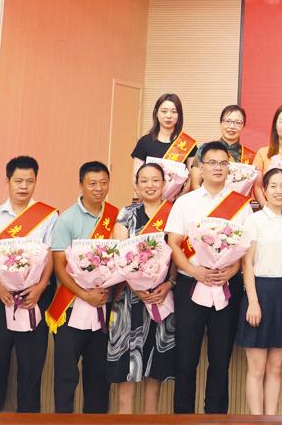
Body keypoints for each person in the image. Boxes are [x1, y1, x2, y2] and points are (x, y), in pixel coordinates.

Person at [165, 141, 253, 414]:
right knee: (186, 357)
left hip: (227, 285)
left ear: (229, 168)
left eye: (223, 163)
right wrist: (194, 271)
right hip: (190, 284)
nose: (218, 168)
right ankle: (183, 417)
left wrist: (233, 269)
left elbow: (246, 248)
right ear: (200, 167)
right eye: (212, 162)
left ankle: (216, 416)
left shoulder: (241, 205)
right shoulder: (185, 202)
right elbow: (173, 244)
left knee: (220, 358)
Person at [0, 156, 58, 412]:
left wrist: (41, 286)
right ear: (7, 181)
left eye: (29, 181)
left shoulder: (48, 216)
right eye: (18, 181)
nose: (24, 186)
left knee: (31, 368)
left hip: (33, 298)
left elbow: (50, 256)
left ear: (36, 182)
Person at [47, 161, 119, 414]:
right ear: (81, 185)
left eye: (104, 183)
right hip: (70, 307)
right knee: (66, 375)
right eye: (92, 183)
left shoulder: (116, 217)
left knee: (98, 375)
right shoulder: (66, 220)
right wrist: (84, 294)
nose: (99, 188)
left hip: (102, 307)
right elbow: (59, 266)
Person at [107, 163, 176, 414]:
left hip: (161, 299)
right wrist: (136, 287)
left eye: (155, 180)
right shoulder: (127, 214)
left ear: (164, 184)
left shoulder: (173, 214)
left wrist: (169, 283)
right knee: (126, 368)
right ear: (136, 185)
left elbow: (179, 254)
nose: (150, 185)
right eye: (144, 180)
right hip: (129, 301)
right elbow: (118, 255)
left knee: (154, 367)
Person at [237, 169, 282, 415]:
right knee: (257, 368)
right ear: (263, 191)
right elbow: (247, 263)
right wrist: (253, 301)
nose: (279, 190)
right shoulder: (254, 220)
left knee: (275, 368)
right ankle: (256, 419)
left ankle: (271, 418)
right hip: (259, 292)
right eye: (273, 186)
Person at [132, 93, 196, 194]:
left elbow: (192, 177)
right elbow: (136, 176)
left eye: (174, 112)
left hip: (177, 201)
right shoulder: (144, 142)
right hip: (148, 198)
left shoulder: (187, 143)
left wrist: (180, 198)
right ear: (156, 113)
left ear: (179, 115)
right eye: (164, 111)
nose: (168, 116)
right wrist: (148, 198)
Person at [191, 105, 252, 188]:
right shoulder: (204, 149)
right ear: (221, 123)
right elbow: (195, 184)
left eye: (237, 122)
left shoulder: (250, 156)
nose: (232, 126)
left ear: (243, 126)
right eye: (228, 121)